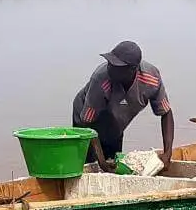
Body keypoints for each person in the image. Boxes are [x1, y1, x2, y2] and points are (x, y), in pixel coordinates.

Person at [72, 40, 174, 171]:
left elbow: (166, 112)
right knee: (89, 161)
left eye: (116, 66)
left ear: (132, 69)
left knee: (114, 158)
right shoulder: (101, 79)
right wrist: (101, 161)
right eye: (109, 63)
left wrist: (168, 153)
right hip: (86, 112)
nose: (109, 67)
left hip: (116, 117)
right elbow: (87, 124)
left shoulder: (151, 79)